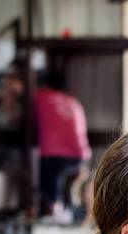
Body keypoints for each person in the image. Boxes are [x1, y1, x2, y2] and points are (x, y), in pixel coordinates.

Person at [34, 69, 92, 221]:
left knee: (45, 180)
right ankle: (67, 211)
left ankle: (54, 210)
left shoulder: (40, 97)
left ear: (46, 85)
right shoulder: (73, 102)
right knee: (67, 185)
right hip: (81, 156)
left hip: (53, 155)